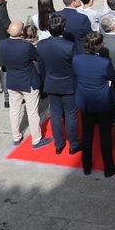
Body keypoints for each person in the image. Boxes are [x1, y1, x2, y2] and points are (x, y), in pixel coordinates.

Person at [72, 31, 115, 177]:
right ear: (99, 45)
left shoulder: (77, 59)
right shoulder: (104, 62)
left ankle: (86, 166)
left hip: (85, 100)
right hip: (102, 102)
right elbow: (113, 76)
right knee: (105, 135)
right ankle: (108, 167)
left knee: (87, 135)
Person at [0, 21, 48, 148]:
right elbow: (38, 58)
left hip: (12, 81)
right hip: (28, 82)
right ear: (22, 32)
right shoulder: (26, 47)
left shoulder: (2, 44)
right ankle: (36, 139)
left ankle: (16, 136)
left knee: (14, 110)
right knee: (32, 111)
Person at [38, 14, 80, 155]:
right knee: (71, 115)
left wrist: (46, 79)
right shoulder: (70, 46)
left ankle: (59, 144)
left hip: (52, 83)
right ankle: (73, 144)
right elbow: (76, 66)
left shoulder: (42, 45)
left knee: (55, 115)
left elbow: (42, 66)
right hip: (68, 85)